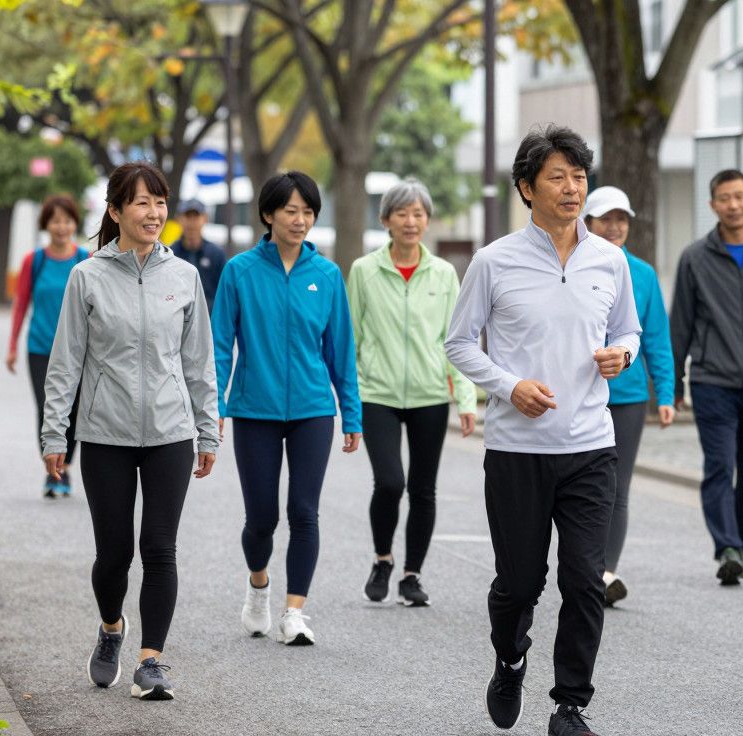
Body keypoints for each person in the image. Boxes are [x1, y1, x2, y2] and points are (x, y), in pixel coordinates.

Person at [446, 125, 640, 736]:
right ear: (527, 188)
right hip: (517, 451)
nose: (572, 187)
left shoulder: (610, 260)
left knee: (584, 578)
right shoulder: (494, 261)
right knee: (518, 584)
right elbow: (457, 344)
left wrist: (623, 355)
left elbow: (630, 330)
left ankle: (570, 703)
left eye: (579, 176)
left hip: (590, 446)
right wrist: (509, 386)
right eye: (557, 177)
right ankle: (509, 660)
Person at [40, 161, 219, 700]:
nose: (154, 212)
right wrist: (55, 435)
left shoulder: (184, 276)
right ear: (115, 211)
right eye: (142, 202)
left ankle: (152, 662)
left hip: (169, 432)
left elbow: (199, 363)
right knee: (114, 553)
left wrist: (208, 431)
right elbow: (65, 362)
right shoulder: (87, 276)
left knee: (160, 548)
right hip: (104, 434)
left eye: (160, 202)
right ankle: (112, 628)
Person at [211, 171, 362, 647]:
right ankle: (259, 587)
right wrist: (212, 405)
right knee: (261, 519)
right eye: (291, 211)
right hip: (254, 407)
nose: (300, 220)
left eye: (308, 212)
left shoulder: (327, 275)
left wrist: (350, 413)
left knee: (304, 511)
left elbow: (342, 350)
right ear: (268, 215)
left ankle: (294, 612)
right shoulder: (239, 271)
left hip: (313, 409)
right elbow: (219, 345)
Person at [348, 178, 477, 608]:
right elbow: (352, 335)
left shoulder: (443, 273)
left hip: (429, 394)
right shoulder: (365, 271)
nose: (411, 221)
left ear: (427, 219)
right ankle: (383, 558)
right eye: (402, 213)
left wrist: (465, 398)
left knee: (423, 489)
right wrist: (349, 400)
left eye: (419, 213)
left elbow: (458, 340)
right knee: (389, 482)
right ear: (386, 220)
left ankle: (411, 575)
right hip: (377, 392)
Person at [669, 169, 743, 585]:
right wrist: (674, 385)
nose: (732, 205)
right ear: (712, 205)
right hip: (711, 380)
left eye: (739, 196)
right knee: (719, 464)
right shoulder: (695, 258)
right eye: (724, 198)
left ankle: (741, 540)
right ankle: (727, 547)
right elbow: (679, 325)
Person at [582, 185, 676, 607]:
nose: (615, 227)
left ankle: (605, 572)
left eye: (622, 219)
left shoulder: (643, 274)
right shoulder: (574, 264)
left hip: (629, 395)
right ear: (588, 222)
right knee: (579, 486)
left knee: (618, 487)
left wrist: (667, 393)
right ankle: (582, 566)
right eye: (606, 219)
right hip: (579, 391)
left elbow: (655, 336)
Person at [8, 194, 90, 498]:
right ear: (47, 224)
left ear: (74, 224)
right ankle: (51, 470)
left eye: (67, 220)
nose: (61, 226)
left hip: (78, 351)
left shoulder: (85, 259)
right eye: (55, 220)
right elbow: (20, 305)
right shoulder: (35, 260)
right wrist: (13, 346)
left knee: (75, 409)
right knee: (47, 408)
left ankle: (64, 467)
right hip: (40, 347)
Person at [168, 198, 226, 312]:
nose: (192, 222)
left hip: (210, 322)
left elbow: (224, 294)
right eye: (187, 216)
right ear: (178, 219)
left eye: (196, 217)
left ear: (205, 219)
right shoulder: (170, 255)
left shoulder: (216, 254)